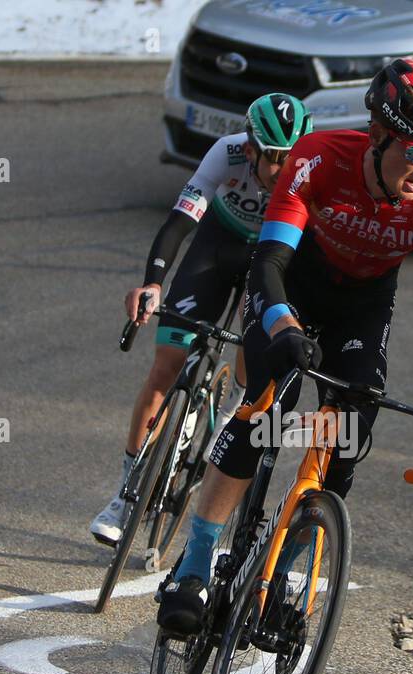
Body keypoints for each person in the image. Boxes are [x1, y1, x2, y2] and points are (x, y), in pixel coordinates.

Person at [157, 58, 413, 633]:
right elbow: (270, 261)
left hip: (363, 304)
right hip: (291, 288)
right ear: (378, 135)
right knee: (265, 415)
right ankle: (196, 564)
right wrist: (283, 326)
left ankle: (292, 570)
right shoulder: (316, 158)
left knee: (351, 429)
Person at [90, 93, 313, 545]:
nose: (284, 169)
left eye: (292, 158)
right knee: (166, 365)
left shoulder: (310, 171)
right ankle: (125, 494)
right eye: (274, 159)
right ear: (249, 149)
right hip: (218, 244)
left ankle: (229, 408)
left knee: (254, 365)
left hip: (269, 258)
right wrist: (153, 283)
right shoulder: (225, 153)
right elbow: (178, 223)